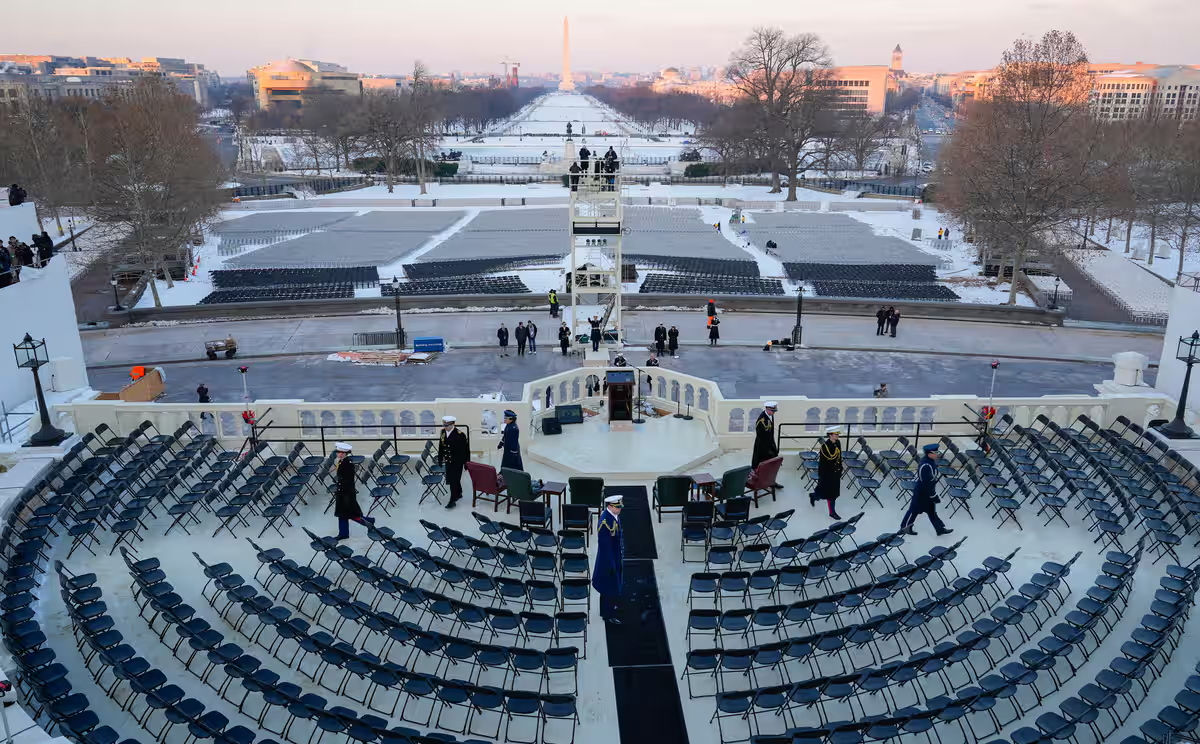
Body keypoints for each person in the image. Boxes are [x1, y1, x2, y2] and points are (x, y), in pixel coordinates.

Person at [900, 443, 953, 536]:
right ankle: (904, 528)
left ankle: (939, 529)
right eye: (935, 453)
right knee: (913, 511)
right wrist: (933, 496)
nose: (937, 454)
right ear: (929, 454)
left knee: (932, 512)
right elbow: (926, 484)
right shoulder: (926, 466)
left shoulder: (930, 462)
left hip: (927, 493)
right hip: (922, 494)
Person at [593, 494, 625, 624]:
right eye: (617, 507)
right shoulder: (605, 522)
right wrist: (611, 563)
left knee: (615, 584)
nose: (620, 509)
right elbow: (605, 546)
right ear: (610, 506)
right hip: (608, 560)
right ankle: (607, 614)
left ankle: (613, 605)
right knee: (607, 587)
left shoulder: (614, 516)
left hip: (616, 555)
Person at [333, 442, 376, 540]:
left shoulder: (347, 464)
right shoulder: (342, 462)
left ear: (343, 453)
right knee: (342, 514)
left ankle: (369, 522)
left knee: (352, 514)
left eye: (338, 452)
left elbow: (347, 480)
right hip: (342, 492)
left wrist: (343, 492)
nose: (337, 454)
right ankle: (343, 533)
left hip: (346, 493)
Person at [811, 426, 844, 519]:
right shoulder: (825, 447)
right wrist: (833, 471)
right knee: (829, 493)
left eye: (838, 434)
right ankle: (832, 512)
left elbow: (839, 456)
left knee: (830, 492)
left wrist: (840, 468)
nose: (837, 436)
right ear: (830, 435)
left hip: (836, 472)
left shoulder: (837, 443)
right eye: (836, 434)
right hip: (827, 473)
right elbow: (828, 461)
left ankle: (813, 496)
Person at [439, 415, 470, 509]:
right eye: (444, 425)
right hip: (448, 461)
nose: (445, 427)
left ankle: (452, 500)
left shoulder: (460, 435)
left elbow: (466, 450)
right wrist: (440, 458)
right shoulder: (443, 432)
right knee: (454, 479)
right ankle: (459, 493)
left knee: (453, 480)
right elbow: (441, 445)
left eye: (447, 425)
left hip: (457, 461)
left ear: (453, 424)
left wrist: (466, 463)